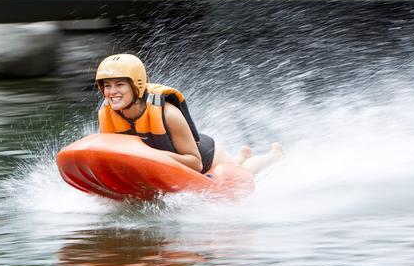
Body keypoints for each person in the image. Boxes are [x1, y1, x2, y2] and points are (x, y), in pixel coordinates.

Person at [95, 53, 282, 175]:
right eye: (107, 86)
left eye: (119, 84)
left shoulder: (168, 114)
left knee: (242, 172)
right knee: (237, 163)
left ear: (137, 86)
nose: (112, 92)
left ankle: (271, 156)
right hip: (165, 160)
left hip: (204, 155)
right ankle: (242, 155)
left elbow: (195, 164)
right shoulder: (107, 114)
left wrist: (152, 158)